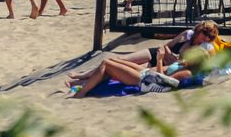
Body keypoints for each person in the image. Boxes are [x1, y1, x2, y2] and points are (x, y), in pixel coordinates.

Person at [66, 20, 220, 97]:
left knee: (108, 63)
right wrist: (164, 57)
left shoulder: (187, 72)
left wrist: (161, 61)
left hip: (146, 77)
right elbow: (167, 48)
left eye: (209, 37)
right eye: (205, 35)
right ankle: (82, 79)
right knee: (115, 61)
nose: (206, 39)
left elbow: (162, 81)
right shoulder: (188, 39)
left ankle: (81, 93)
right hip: (149, 68)